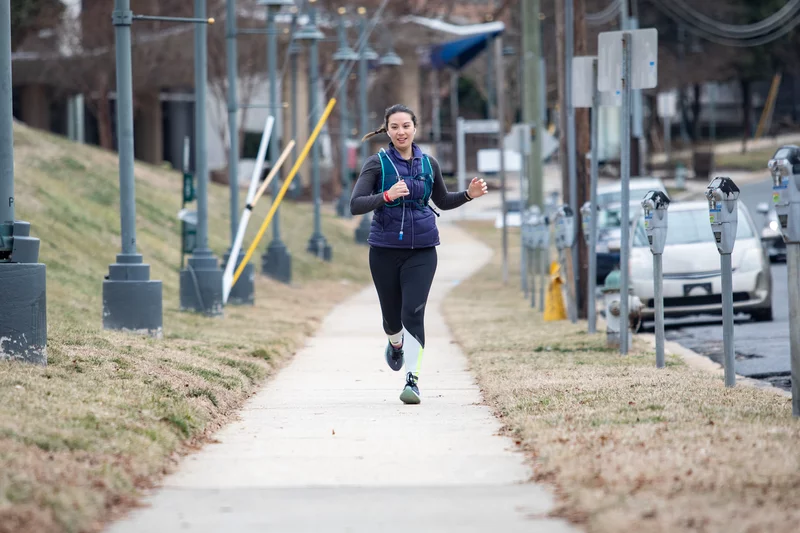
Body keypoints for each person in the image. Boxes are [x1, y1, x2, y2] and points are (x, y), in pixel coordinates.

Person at [350, 104, 488, 405]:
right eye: (395, 127)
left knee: (413, 312)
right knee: (391, 319)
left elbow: (442, 199)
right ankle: (395, 343)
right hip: (384, 250)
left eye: (406, 126)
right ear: (387, 130)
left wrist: (468, 195)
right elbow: (355, 204)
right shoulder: (377, 164)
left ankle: (412, 380)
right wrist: (385, 196)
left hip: (423, 250)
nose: (401, 132)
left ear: (415, 128)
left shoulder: (429, 164)